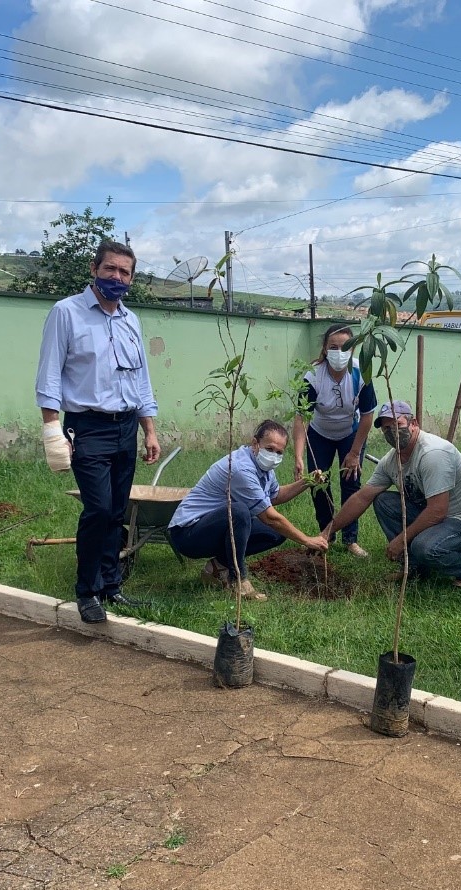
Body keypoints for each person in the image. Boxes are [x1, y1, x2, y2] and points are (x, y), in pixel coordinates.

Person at [35, 240, 160, 624]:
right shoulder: (66, 313)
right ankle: (86, 591)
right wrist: (51, 428)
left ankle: (111, 584)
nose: (117, 278)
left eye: (125, 272)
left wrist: (149, 430)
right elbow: (50, 371)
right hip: (86, 427)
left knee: (117, 511)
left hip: (125, 427)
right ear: (94, 269)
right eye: (110, 269)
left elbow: (141, 380)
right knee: (98, 509)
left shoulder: (131, 320)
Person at [321, 402, 461, 588]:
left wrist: (401, 540)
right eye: (386, 428)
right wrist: (327, 532)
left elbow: (437, 511)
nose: (391, 431)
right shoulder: (391, 461)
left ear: (414, 423)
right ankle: (415, 567)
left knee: (423, 547)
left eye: (397, 424)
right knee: (383, 501)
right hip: (439, 517)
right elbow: (362, 497)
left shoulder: (433, 454)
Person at [168, 420, 328, 601]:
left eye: (279, 452)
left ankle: (217, 567)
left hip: (213, 526)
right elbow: (270, 517)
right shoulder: (240, 468)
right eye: (270, 449)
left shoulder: (264, 468)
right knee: (240, 512)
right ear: (255, 444)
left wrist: (307, 481)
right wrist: (307, 540)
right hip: (188, 533)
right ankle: (239, 580)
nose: (274, 455)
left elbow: (274, 496)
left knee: (276, 534)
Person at [293, 324, 378, 558]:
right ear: (324, 349)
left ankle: (351, 540)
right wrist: (299, 455)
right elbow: (302, 417)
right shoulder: (312, 376)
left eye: (345, 347)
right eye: (333, 347)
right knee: (318, 483)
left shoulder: (362, 374)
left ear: (353, 349)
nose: (339, 352)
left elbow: (368, 415)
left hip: (351, 433)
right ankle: (325, 534)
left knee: (351, 483)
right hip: (319, 434)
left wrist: (354, 452)